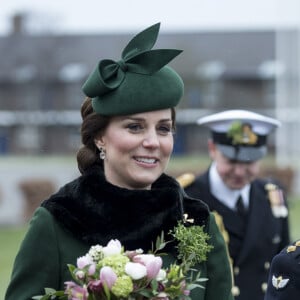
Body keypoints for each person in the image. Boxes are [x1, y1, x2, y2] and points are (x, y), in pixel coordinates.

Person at [5, 23, 233, 300]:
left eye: (163, 129)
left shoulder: (197, 222)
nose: (152, 141)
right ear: (100, 137)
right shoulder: (57, 221)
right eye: (135, 127)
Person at [183, 109, 290, 300]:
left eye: (249, 162)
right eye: (231, 161)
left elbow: (283, 266)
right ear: (212, 149)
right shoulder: (187, 198)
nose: (240, 172)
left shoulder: (272, 196)